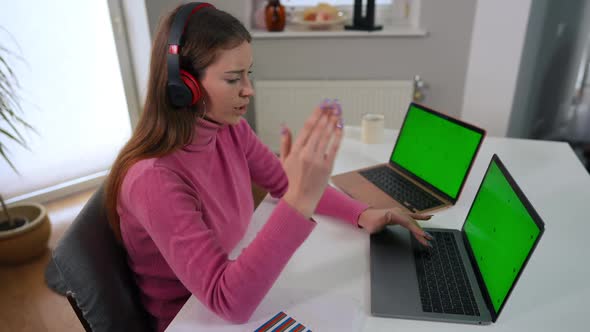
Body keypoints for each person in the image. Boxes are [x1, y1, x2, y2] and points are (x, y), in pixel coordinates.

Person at [104, 3, 433, 331]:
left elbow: (282, 182)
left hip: (231, 284)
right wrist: (299, 201)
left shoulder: (229, 130)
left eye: (249, 74)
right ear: (184, 86)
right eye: (233, 78)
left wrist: (362, 213)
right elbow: (227, 301)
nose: (249, 90)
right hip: (191, 318)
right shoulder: (154, 180)